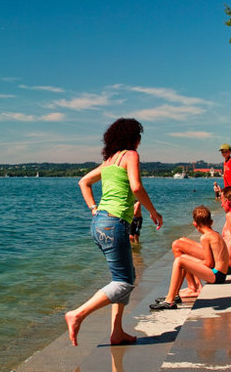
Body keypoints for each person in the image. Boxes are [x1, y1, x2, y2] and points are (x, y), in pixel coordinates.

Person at [66, 119, 163, 346]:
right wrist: (153, 212)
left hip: (100, 223)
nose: (140, 141)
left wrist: (93, 208)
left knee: (124, 277)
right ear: (133, 138)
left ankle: (117, 332)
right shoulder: (130, 155)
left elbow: (83, 182)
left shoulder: (108, 161)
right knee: (124, 282)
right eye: (139, 136)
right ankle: (77, 314)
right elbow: (136, 187)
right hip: (114, 224)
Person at [150, 205, 231, 310]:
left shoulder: (205, 237)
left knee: (180, 261)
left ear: (195, 224)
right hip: (220, 273)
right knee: (182, 253)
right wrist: (191, 262)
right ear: (210, 222)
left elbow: (209, 263)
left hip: (216, 275)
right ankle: (175, 295)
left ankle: (170, 300)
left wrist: (191, 264)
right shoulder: (214, 234)